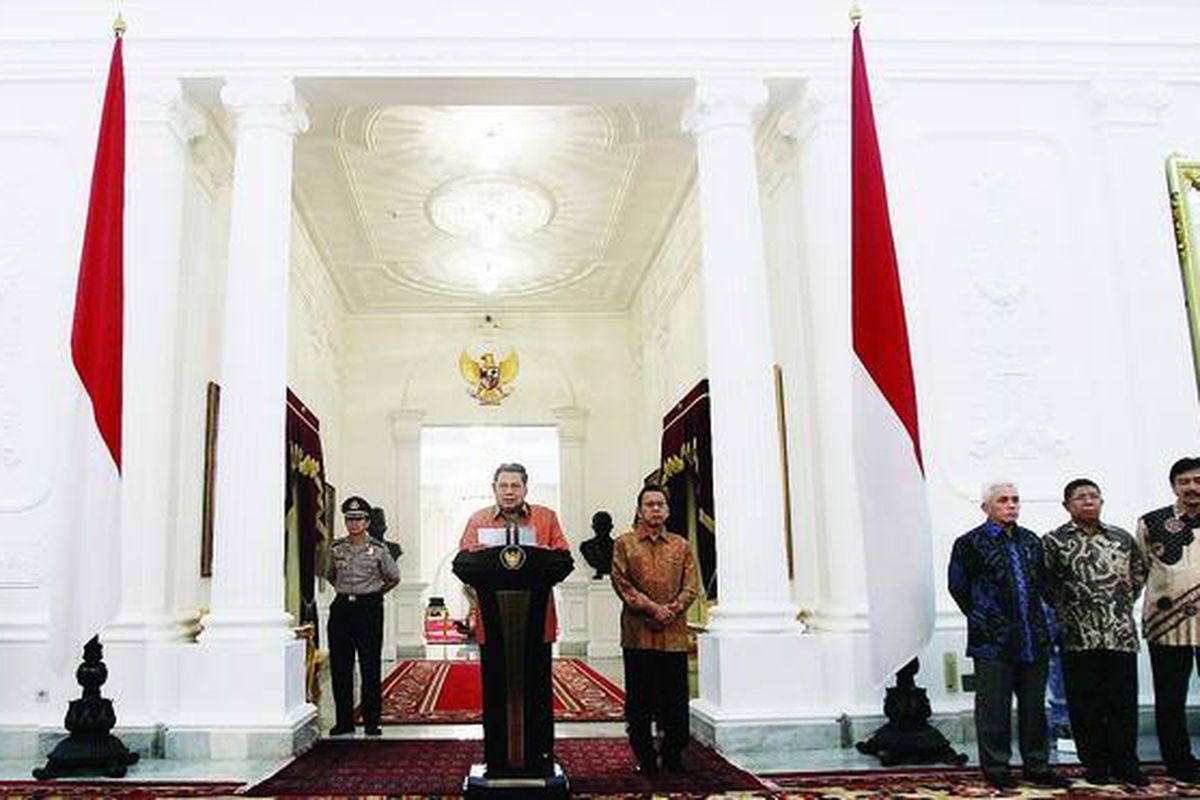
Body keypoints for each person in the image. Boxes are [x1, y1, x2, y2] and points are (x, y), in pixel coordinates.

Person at [947, 482, 1069, 790]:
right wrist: (984, 617)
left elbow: (1044, 584)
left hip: (1033, 637)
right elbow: (958, 586)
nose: (1011, 505)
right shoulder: (970, 543)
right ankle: (997, 767)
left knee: (1034, 708)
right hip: (993, 641)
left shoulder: (1030, 541)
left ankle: (1037, 765)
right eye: (1003, 500)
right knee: (993, 709)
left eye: (1015, 499)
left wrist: (1046, 623)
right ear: (986, 507)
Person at [458, 462, 571, 768]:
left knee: (537, 693)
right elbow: (463, 563)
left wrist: (537, 560)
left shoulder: (546, 518)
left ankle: (540, 757)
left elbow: (563, 559)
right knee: (495, 692)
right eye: (503, 485)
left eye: (515, 486)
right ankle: (496, 759)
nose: (509, 492)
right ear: (494, 488)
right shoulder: (478, 520)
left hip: (537, 622)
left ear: (525, 488)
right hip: (493, 624)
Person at [1043, 479, 1148, 786]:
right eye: (1080, 497)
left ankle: (1126, 763)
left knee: (1122, 704)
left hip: (1119, 635)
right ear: (1067, 505)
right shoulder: (1054, 541)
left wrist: (1114, 603)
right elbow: (1046, 584)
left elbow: (1138, 575)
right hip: (1077, 636)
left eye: (1094, 496)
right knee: (1084, 705)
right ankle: (1096, 765)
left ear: (1102, 501)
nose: (1088, 501)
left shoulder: (1121, 537)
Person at [610, 485, 699, 776]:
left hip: (673, 635)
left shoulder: (681, 545)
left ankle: (674, 754)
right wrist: (652, 609)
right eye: (649, 504)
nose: (656, 509)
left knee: (675, 698)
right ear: (639, 510)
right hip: (638, 634)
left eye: (660, 504)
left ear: (668, 510)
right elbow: (621, 583)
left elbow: (691, 586)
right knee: (640, 699)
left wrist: (672, 609)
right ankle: (645, 756)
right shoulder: (624, 543)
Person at [1138, 456, 1200, 783]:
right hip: (1167, 624)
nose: (1192, 487)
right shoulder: (1152, 522)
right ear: (1174, 486)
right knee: (1170, 699)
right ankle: (1179, 762)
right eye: (1184, 481)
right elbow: (1137, 571)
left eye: (1198, 480)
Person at [326, 495, 401, 737]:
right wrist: (347, 590)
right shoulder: (336, 548)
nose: (354, 524)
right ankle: (344, 722)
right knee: (340, 666)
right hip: (342, 609)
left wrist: (374, 593)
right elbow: (330, 574)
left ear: (367, 522)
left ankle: (371, 721)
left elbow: (393, 577)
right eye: (350, 519)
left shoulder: (379, 549)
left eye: (359, 519)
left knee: (370, 665)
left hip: (368, 609)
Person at [580, 510, 616, 579]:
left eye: (604, 525)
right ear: (593, 527)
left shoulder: (618, 546)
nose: (602, 528)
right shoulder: (586, 547)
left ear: (610, 527)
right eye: (599, 525)